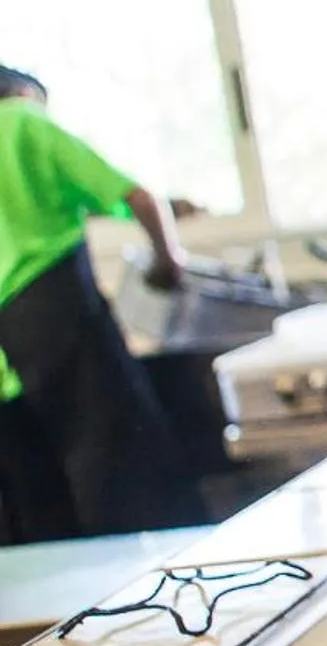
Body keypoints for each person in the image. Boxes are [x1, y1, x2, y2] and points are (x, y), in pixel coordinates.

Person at [0, 64, 204, 541]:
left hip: (10, 338)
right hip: (58, 311)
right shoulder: (27, 121)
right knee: (119, 462)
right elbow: (135, 196)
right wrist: (167, 263)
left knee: (42, 492)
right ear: (24, 91)